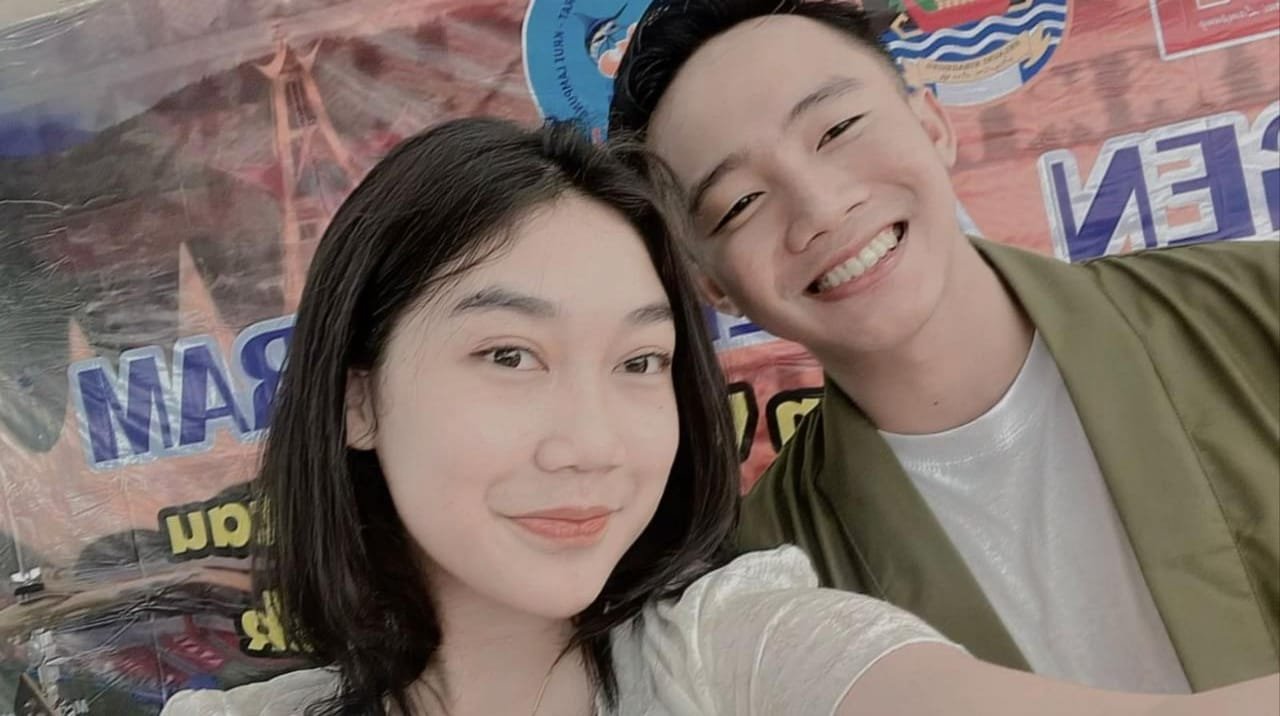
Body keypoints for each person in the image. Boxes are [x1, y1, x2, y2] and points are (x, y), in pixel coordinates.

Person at [156, 118, 1278, 715]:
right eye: (510, 354)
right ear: (356, 396)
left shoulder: (732, 656)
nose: (592, 443)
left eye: (640, 360)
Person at [607, 0, 1279, 695]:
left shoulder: (1259, 306)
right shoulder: (763, 572)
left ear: (931, 125)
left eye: (837, 129)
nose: (820, 209)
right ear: (712, 287)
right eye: (740, 203)